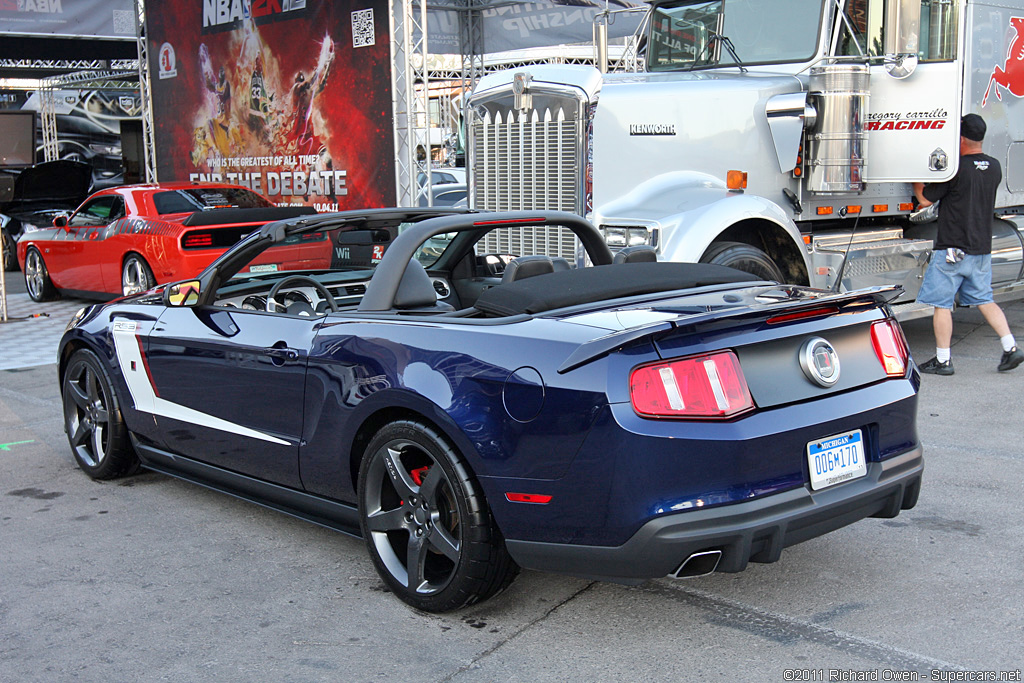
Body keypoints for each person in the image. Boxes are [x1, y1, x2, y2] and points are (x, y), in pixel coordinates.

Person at [912, 113, 1023, 375]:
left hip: (952, 248)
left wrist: (915, 175)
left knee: (942, 304)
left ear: (960, 139)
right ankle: (1010, 347)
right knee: (985, 299)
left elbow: (926, 199)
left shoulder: (956, 169)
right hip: (980, 248)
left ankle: (943, 360)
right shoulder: (994, 166)